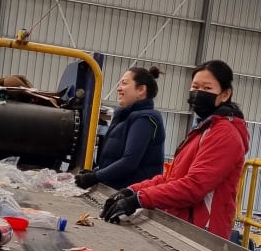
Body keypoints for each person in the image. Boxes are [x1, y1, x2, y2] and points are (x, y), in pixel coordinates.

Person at [100, 60, 249, 239]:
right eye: (195, 87)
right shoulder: (203, 129)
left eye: (207, 88)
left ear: (225, 94)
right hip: (185, 225)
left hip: (203, 234)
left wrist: (140, 199)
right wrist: (131, 191)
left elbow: (194, 187)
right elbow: (171, 178)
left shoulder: (225, 134)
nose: (198, 93)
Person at [74, 66, 165, 190]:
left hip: (131, 197)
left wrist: (95, 177)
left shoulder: (144, 119)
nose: (119, 88)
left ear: (141, 90)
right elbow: (113, 159)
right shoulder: (124, 117)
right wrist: (95, 172)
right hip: (116, 190)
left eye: (124, 83)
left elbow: (129, 162)